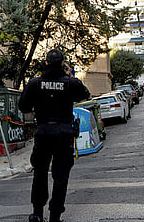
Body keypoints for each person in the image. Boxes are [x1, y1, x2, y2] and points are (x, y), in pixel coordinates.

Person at [19, 49, 90, 222]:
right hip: (63, 133)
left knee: (40, 173)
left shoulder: (35, 83)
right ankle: (55, 217)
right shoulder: (70, 83)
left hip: (43, 132)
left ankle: (37, 213)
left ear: (45, 64)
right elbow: (85, 94)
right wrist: (70, 75)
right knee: (61, 176)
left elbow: (23, 107)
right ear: (62, 64)